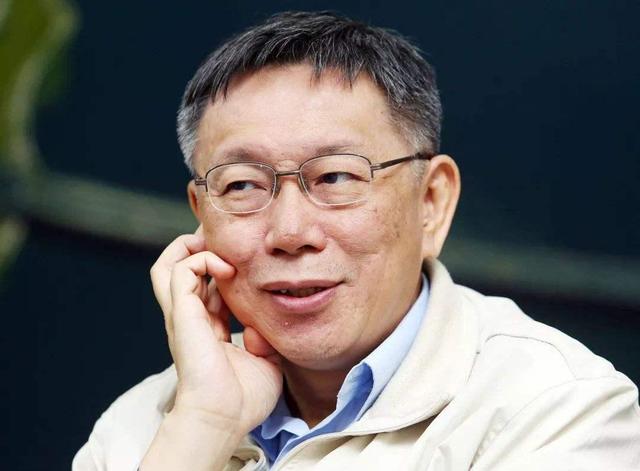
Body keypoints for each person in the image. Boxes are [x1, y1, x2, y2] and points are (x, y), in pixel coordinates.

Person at [73, 11, 640, 470]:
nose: (290, 233)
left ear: (432, 203)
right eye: (242, 185)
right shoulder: (144, 427)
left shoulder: (560, 409)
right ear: (201, 215)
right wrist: (205, 426)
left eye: (336, 177)